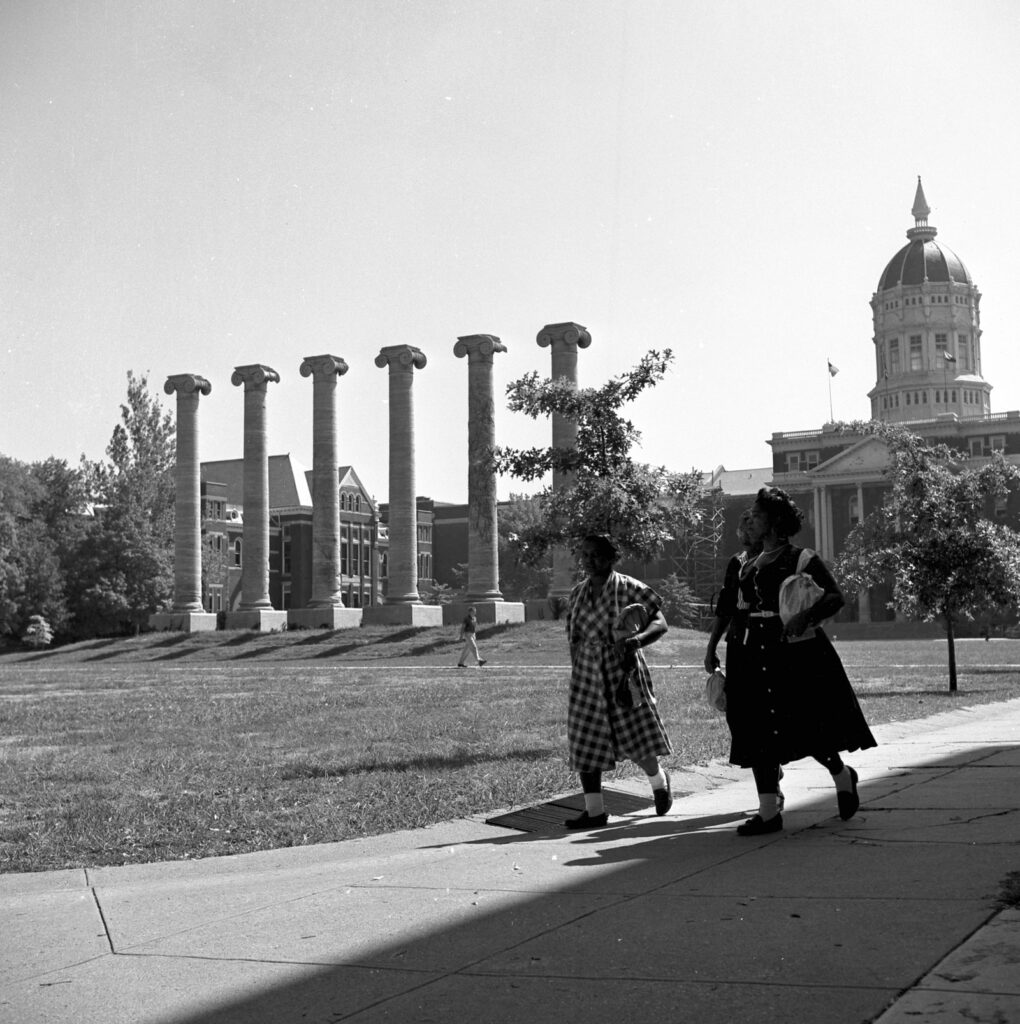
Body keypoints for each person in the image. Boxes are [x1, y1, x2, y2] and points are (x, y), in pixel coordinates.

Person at [705, 487, 877, 836]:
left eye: (756, 513)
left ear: (774, 521)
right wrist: (715, 648)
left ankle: (842, 775)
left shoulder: (802, 558)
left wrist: (805, 617)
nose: (750, 518)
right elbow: (735, 611)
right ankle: (769, 813)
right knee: (757, 731)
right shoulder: (745, 565)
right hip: (751, 655)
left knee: (807, 727)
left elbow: (835, 598)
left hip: (794, 654)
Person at [562, 534, 673, 829]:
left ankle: (659, 782)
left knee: (635, 739)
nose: (588, 560)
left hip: (622, 673)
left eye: (596, 555)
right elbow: (573, 636)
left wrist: (636, 641)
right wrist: (578, 670)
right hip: (587, 674)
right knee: (586, 739)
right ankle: (595, 811)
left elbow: (660, 622)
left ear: (611, 557)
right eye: (584, 554)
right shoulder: (577, 594)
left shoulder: (628, 588)